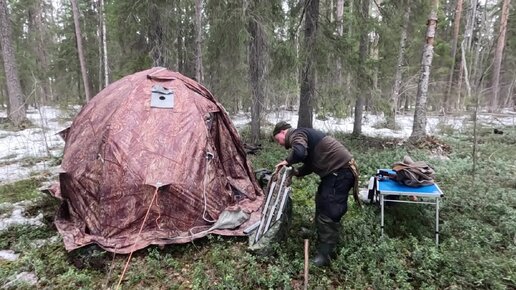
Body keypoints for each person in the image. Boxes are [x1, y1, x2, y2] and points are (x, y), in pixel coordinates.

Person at [272, 121, 360, 267]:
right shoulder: (303, 136)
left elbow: (300, 152)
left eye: (277, 140)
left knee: (329, 210)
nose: (279, 144)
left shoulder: (296, 134)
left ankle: (326, 255)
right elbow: (311, 162)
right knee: (321, 201)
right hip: (335, 173)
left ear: (282, 132)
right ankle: (319, 233)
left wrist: (287, 161)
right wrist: (298, 172)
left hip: (340, 172)